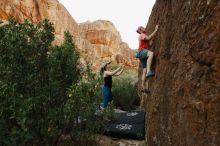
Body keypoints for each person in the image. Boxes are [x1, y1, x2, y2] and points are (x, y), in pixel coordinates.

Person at [135, 25, 159, 92]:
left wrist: (153, 41)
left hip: (142, 54)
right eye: (143, 28)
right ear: (140, 30)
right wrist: (156, 30)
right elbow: (148, 38)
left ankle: (142, 87)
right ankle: (149, 71)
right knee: (151, 54)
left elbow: (149, 45)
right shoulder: (142, 35)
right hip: (142, 52)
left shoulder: (143, 36)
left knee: (144, 70)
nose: (144, 28)